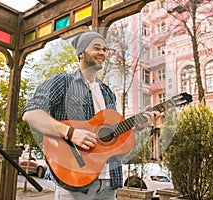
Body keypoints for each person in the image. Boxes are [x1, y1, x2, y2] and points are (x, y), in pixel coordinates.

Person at [22, 31, 161, 200]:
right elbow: (31, 113)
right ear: (81, 53)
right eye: (96, 48)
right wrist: (71, 133)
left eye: (104, 49)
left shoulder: (108, 93)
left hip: (109, 182)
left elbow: (113, 137)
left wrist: (138, 125)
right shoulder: (63, 81)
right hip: (75, 181)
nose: (102, 53)